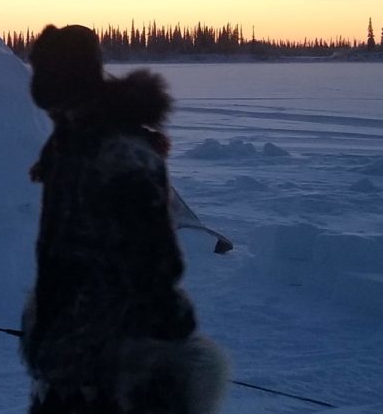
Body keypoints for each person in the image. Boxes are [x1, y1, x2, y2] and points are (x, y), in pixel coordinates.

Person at [21, 25, 228, 413]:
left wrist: (157, 340)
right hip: (66, 353)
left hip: (112, 360)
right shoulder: (68, 145)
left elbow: (157, 262)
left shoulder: (122, 154)